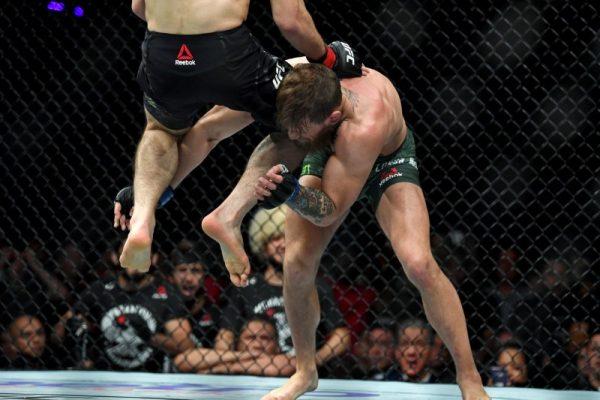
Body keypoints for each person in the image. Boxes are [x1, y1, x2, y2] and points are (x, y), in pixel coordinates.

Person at [254, 63, 489, 399]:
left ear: (333, 117)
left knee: (420, 263)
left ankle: (469, 379)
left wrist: (290, 194)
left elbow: (327, 211)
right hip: (329, 148)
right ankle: (304, 372)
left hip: (385, 160)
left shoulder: (365, 125)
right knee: (296, 264)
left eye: (300, 129)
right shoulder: (312, 79)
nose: (293, 137)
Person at [114, 0, 361, 277]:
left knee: (160, 130)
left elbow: (138, 8)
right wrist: (328, 59)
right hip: (228, 55)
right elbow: (290, 21)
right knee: (297, 122)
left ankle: (144, 217)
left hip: (162, 53)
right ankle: (228, 216)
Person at [215, 205, 350, 368]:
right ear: (263, 244)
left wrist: (310, 364)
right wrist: (240, 361)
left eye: (289, 237)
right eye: (275, 238)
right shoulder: (247, 286)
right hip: (255, 367)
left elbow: (341, 335)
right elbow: (225, 336)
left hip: (299, 364)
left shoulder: (316, 285)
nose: (283, 244)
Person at [61, 264, 194, 371]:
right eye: (130, 252)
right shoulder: (100, 289)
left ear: (153, 258)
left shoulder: (166, 294)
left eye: (141, 254)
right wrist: (70, 326)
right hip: (103, 376)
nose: (136, 259)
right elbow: (58, 333)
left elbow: (186, 347)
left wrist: (150, 336)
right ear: (116, 257)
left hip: (150, 378)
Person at [176, 315, 295, 376]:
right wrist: (245, 355)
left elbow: (289, 365)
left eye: (265, 338)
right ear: (237, 342)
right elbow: (182, 361)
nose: (258, 344)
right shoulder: (229, 356)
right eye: (251, 338)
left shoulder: (286, 360)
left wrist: (222, 368)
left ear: (277, 345)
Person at [167, 249, 219, 348]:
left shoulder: (215, 312)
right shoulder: (160, 307)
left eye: (196, 271)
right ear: (171, 276)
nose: (189, 278)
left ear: (204, 276)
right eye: (182, 270)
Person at [384, 319, 445, 383]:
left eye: (420, 344)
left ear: (431, 351)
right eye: (404, 343)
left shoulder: (444, 385)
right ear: (396, 351)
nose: (411, 351)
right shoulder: (385, 383)